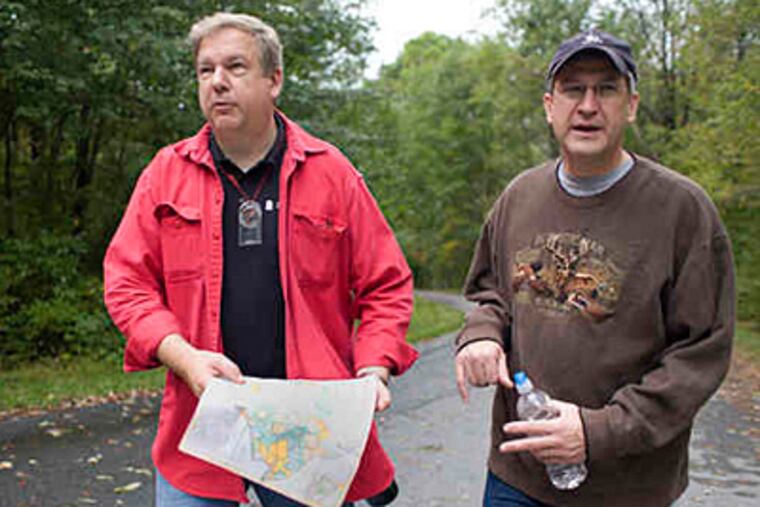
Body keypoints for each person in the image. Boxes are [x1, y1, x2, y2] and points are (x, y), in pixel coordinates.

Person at [103, 12, 417, 507]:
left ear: (274, 80)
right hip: (201, 421)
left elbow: (387, 285)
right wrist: (183, 358)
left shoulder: (330, 173)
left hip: (307, 428)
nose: (218, 83)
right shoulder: (166, 173)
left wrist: (373, 367)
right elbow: (127, 282)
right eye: (206, 71)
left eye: (235, 67)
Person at [454, 28, 735, 507]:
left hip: (630, 486)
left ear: (631, 105)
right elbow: (492, 294)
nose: (588, 105)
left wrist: (596, 431)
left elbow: (700, 352)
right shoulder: (518, 198)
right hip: (517, 478)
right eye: (572, 89)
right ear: (549, 105)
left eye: (606, 88)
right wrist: (480, 333)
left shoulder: (682, 211)